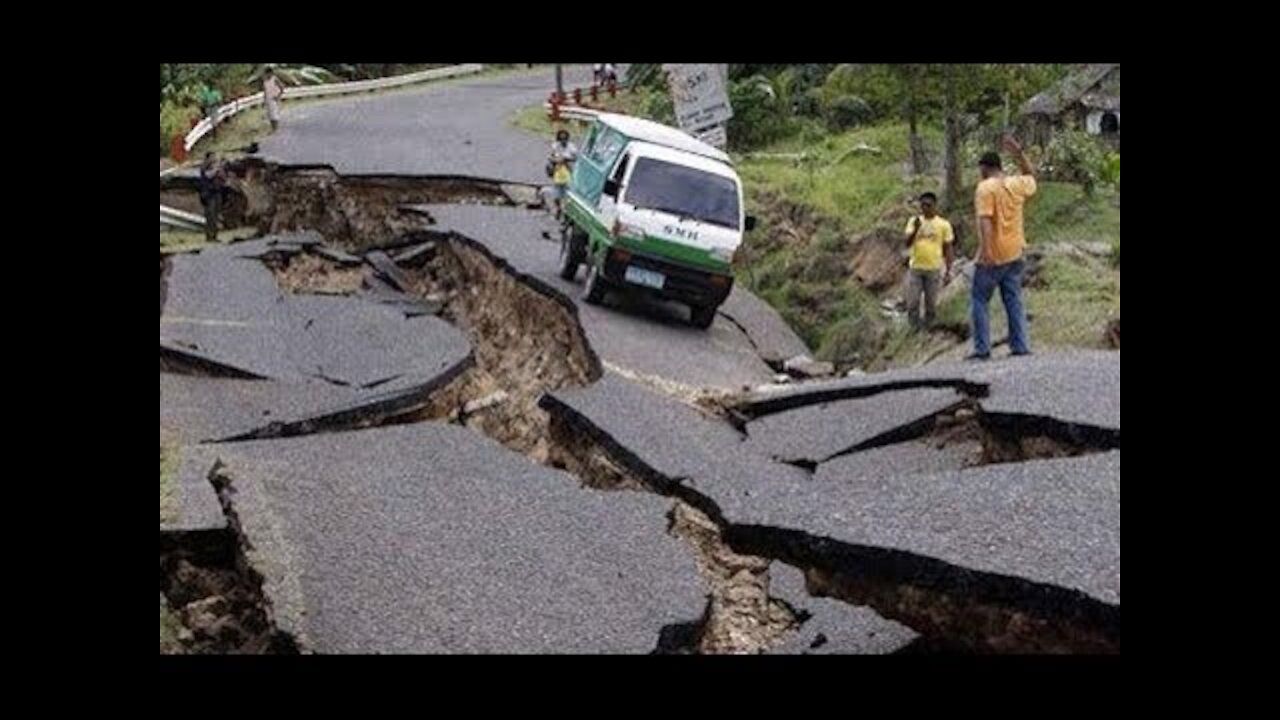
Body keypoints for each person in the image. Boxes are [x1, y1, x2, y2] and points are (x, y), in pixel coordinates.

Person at [970, 135, 1037, 360]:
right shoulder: (1017, 183)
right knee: (1013, 299)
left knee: (979, 299)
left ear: (984, 168)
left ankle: (982, 349)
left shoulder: (985, 188)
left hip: (995, 255)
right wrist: (1018, 153)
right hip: (1016, 252)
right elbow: (1031, 175)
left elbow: (985, 220)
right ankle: (1020, 346)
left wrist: (986, 251)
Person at [902, 192, 954, 330]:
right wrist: (916, 229)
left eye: (928, 205)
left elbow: (948, 248)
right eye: (923, 205)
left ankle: (929, 329)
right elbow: (906, 243)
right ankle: (914, 329)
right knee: (913, 301)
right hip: (916, 267)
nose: (925, 208)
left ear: (934, 206)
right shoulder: (914, 221)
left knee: (931, 303)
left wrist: (948, 270)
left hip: (934, 268)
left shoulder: (943, 224)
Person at [547, 129, 578, 219]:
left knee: (567, 195)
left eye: (565, 139)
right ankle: (558, 209)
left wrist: (566, 159)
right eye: (561, 139)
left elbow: (576, 158)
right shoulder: (555, 146)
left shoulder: (572, 148)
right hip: (558, 172)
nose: (563, 141)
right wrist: (554, 160)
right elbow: (550, 157)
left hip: (568, 172)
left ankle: (567, 212)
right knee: (556, 195)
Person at [198, 153, 228, 243]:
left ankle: (214, 236)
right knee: (210, 216)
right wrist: (216, 168)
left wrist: (221, 170)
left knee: (215, 216)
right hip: (208, 195)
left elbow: (224, 179)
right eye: (213, 157)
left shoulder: (216, 168)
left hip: (217, 193)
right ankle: (209, 237)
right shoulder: (204, 167)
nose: (214, 159)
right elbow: (209, 176)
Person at [262, 66, 284, 132]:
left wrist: (278, 96)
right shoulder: (265, 81)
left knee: (274, 114)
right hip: (268, 98)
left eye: (268, 73)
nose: (267, 75)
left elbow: (282, 87)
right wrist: (264, 99)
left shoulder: (275, 79)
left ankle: (276, 128)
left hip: (274, 98)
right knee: (269, 114)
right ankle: (272, 128)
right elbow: (265, 91)